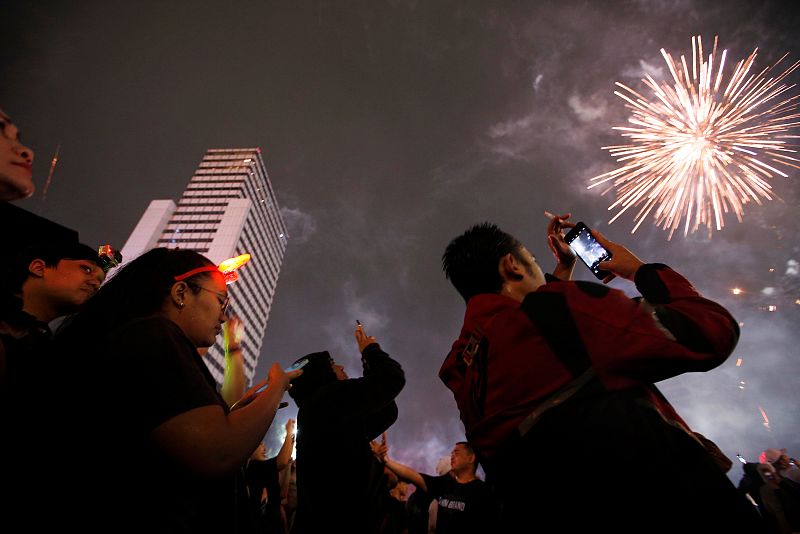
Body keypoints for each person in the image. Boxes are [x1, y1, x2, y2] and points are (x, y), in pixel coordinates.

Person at [438, 216, 766, 533]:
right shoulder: (559, 309)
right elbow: (710, 334)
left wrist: (563, 269)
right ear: (512, 265)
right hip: (666, 506)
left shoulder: (462, 365)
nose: (541, 271)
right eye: (533, 261)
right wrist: (639, 269)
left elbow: (545, 351)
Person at [52, 247, 301, 532]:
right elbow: (215, 452)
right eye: (221, 301)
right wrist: (277, 386)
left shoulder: (132, 337)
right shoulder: (153, 336)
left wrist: (235, 413)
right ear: (181, 293)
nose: (223, 316)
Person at [287, 323, 405, 533]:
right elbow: (392, 379)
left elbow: (386, 410)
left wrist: (368, 365)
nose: (340, 366)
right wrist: (370, 350)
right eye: (332, 363)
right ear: (321, 374)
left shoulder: (324, 411)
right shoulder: (326, 399)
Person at [374, 437, 500, 534]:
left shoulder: (484, 493)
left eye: (456, 452)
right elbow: (413, 475)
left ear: (471, 458)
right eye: (451, 453)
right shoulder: (444, 485)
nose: (452, 455)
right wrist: (386, 460)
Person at [245, 419, 297, 533]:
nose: (265, 448)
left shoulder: (262, 472)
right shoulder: (254, 467)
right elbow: (281, 461)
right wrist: (289, 432)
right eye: (260, 444)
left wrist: (288, 461)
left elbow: (282, 494)